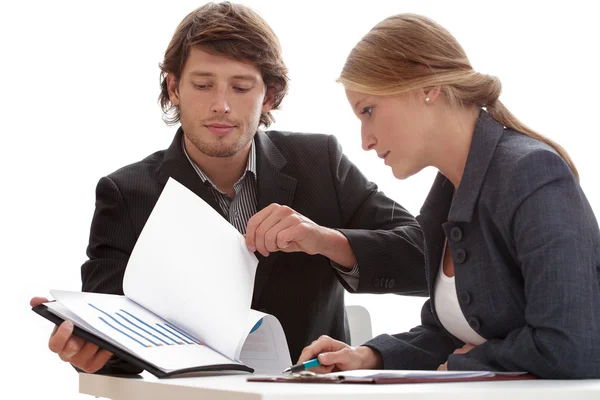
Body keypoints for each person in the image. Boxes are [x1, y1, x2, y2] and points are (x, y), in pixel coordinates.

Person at [30, 3, 427, 375]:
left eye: (240, 88)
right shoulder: (126, 192)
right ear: (174, 89)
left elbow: (427, 259)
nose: (221, 105)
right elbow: (113, 339)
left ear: (268, 96)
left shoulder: (319, 161)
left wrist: (324, 240)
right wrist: (89, 354)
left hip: (304, 394)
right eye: (203, 85)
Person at [297, 13, 600, 379]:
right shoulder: (444, 199)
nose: (365, 140)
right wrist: (366, 356)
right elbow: (448, 335)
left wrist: (469, 361)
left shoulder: (531, 174)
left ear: (426, 85)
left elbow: (573, 344)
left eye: (369, 111)